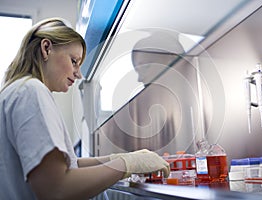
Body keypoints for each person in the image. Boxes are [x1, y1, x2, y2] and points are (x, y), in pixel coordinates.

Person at [0, 17, 170, 200]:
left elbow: (68, 166)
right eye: (74, 61)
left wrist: (116, 159)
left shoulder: (17, 91)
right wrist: (125, 164)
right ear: (46, 48)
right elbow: (56, 188)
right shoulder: (31, 91)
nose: (79, 74)